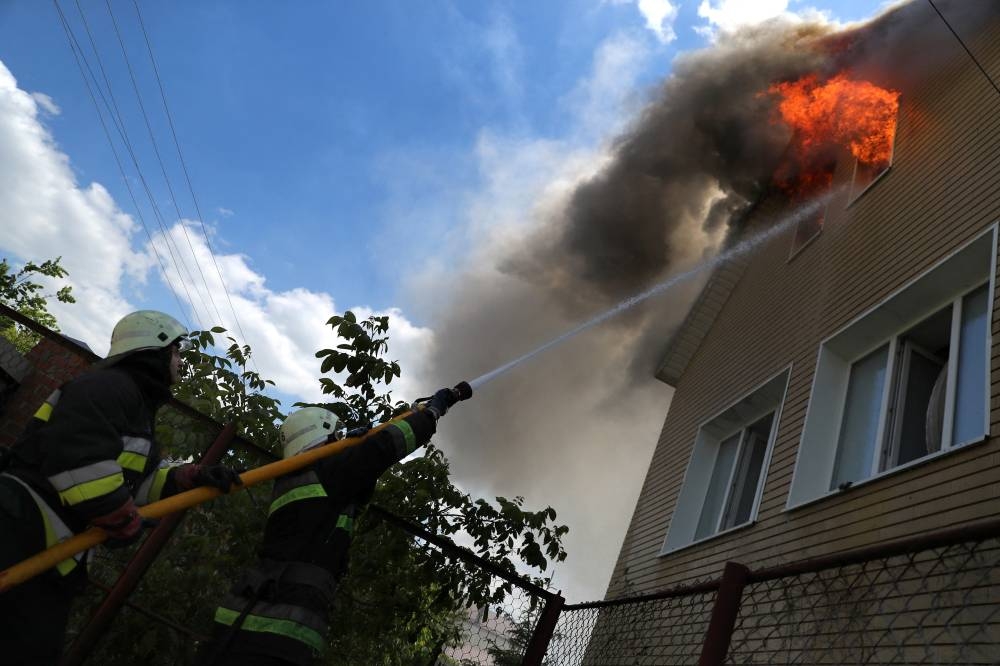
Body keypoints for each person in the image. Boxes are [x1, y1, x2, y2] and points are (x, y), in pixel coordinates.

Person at [0, 310, 243, 665]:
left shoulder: (134, 405)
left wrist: (186, 478)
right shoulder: (110, 387)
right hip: (18, 532)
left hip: (46, 554)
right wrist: (119, 515)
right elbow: (76, 458)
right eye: (177, 352)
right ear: (156, 348)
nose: (180, 362)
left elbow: (134, 481)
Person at [198, 384, 468, 666]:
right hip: (280, 631)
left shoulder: (293, 478)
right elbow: (383, 448)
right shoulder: (326, 473)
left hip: (239, 619)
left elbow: (357, 482)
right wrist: (432, 412)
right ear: (324, 437)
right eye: (337, 437)